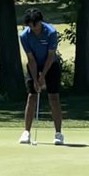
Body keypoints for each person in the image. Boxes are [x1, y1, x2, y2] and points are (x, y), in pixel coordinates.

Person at [18, 8, 64, 145]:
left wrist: (42, 76)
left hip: (51, 65)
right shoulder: (24, 36)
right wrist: (35, 79)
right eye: (31, 27)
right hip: (34, 65)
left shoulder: (50, 32)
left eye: (36, 26)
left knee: (53, 97)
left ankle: (58, 133)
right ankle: (26, 132)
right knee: (32, 96)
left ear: (40, 22)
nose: (34, 30)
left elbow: (50, 57)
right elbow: (30, 59)